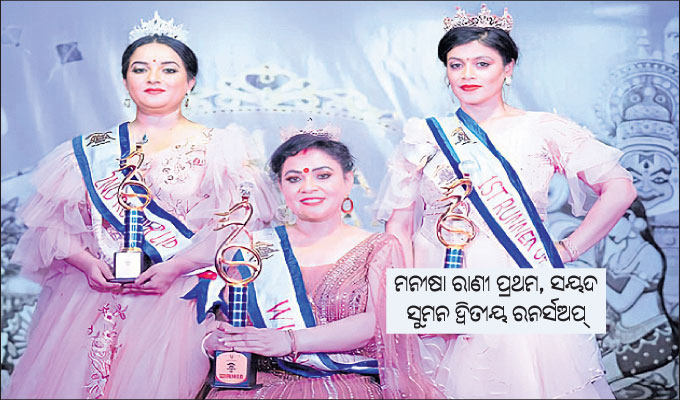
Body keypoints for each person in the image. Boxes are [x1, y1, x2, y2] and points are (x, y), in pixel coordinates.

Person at [5, 12, 275, 399]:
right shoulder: (91, 150)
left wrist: (176, 266)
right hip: (91, 296)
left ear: (190, 82)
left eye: (168, 69)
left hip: (177, 298)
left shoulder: (221, 149)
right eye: (140, 68)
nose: (153, 78)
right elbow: (51, 224)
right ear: (125, 80)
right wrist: (86, 263)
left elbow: (237, 229)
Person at [374, 4, 637, 399]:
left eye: (482, 63)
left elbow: (621, 188)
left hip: (519, 279)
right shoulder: (424, 135)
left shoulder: (542, 128)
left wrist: (569, 248)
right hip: (437, 282)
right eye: (456, 64)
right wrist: (409, 295)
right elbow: (397, 225)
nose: (467, 74)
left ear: (508, 67)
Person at [201, 131, 444, 399]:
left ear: (348, 181)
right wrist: (216, 339)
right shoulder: (250, 245)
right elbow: (223, 319)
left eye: (323, 175)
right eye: (294, 179)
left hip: (346, 385)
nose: (308, 187)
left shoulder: (380, 247)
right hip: (256, 385)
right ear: (280, 186)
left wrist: (289, 340)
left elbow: (376, 322)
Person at [600, 198, 679, 387]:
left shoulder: (649, 255)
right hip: (619, 336)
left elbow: (622, 303)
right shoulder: (615, 257)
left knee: (595, 378)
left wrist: (593, 281)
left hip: (652, 338)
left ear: (632, 218)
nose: (606, 228)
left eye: (611, 220)